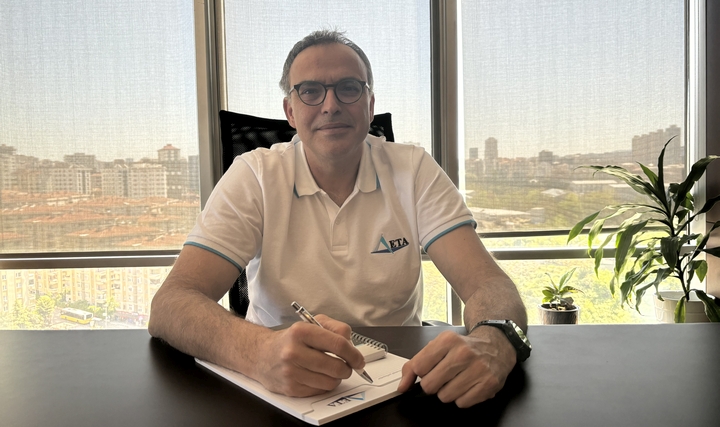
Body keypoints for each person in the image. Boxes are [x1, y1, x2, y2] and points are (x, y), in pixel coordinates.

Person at [149, 29, 528, 408]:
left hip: (399, 380)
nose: (330, 105)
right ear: (290, 111)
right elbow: (171, 303)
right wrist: (258, 351)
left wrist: (494, 339)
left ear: (370, 105)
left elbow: (486, 283)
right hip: (279, 384)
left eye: (348, 88)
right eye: (310, 91)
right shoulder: (255, 174)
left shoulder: (413, 169)